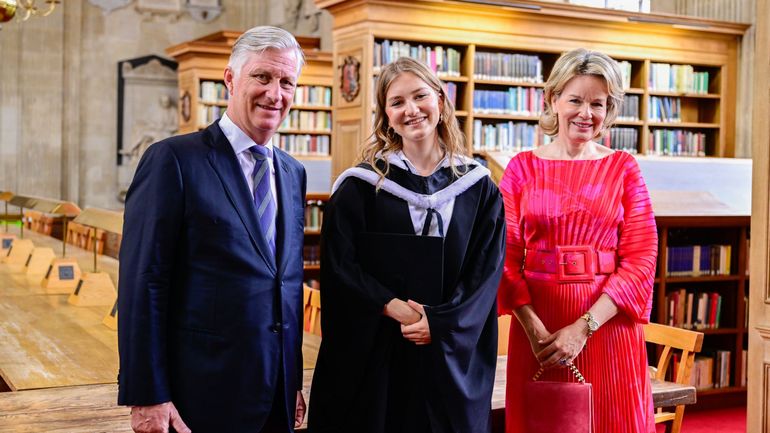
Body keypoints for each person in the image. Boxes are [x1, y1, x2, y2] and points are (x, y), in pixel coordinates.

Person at [117, 26, 308, 433]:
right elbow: (144, 282)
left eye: (287, 81)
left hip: (275, 393)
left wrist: (292, 381)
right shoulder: (173, 160)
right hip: (198, 397)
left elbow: (284, 286)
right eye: (262, 77)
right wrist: (147, 393)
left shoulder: (294, 173)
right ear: (230, 79)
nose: (276, 93)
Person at [308, 57, 506, 433]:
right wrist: (395, 308)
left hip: (447, 350)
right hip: (380, 353)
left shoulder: (478, 187)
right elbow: (340, 267)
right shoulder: (361, 187)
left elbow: (486, 272)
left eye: (420, 96)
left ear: (441, 101)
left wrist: (441, 321)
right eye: (397, 102)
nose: (411, 110)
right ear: (385, 115)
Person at [498, 47, 658, 433]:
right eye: (575, 100)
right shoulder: (521, 168)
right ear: (553, 100)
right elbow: (501, 258)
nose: (586, 113)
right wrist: (537, 332)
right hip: (539, 327)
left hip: (607, 327)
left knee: (611, 420)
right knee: (543, 421)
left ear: (609, 110)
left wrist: (584, 327)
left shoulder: (623, 168)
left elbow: (641, 258)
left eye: (598, 104)